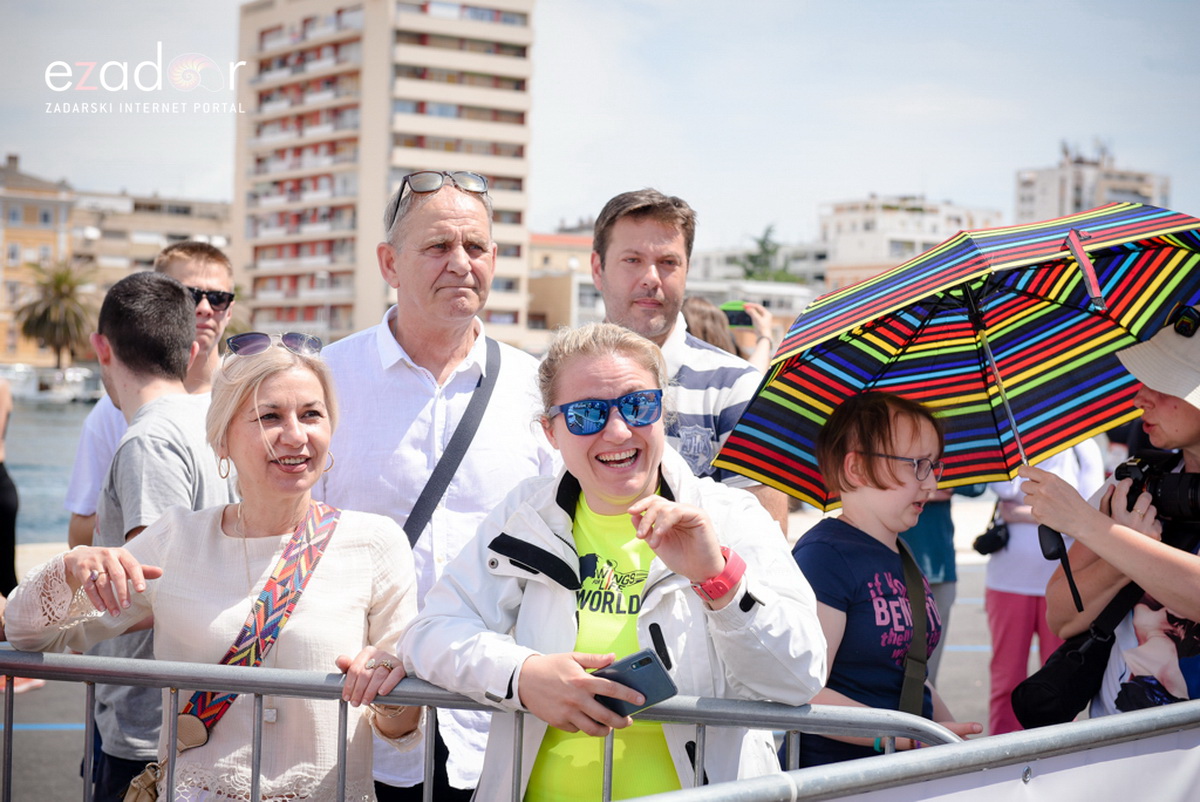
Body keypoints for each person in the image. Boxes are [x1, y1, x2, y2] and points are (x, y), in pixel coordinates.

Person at [401, 323, 826, 800]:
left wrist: (719, 580)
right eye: (586, 414)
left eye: (638, 405)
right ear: (551, 432)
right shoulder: (526, 515)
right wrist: (523, 675)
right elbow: (432, 630)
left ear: (662, 412)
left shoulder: (730, 517)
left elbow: (799, 677)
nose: (618, 430)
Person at [5, 334, 420, 800]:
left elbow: (403, 728)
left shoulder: (375, 543)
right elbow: (25, 635)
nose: (296, 435)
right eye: (269, 417)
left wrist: (387, 685)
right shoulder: (176, 539)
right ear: (222, 439)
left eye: (311, 414)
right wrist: (71, 569)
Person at [313, 170, 558, 801]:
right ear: (389, 262)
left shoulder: (537, 392)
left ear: (495, 260)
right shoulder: (322, 384)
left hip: (496, 720)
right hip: (352, 716)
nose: (460, 264)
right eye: (437, 247)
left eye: (475, 247)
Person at [76, 271, 238, 801]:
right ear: (192, 349)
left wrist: (40, 616)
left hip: (151, 722)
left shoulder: (149, 440)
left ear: (103, 346)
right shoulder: (207, 423)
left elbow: (152, 582)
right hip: (197, 709)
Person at [1023, 304, 1200, 717]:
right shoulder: (1136, 483)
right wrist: (1125, 554)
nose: (1142, 396)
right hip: (1115, 744)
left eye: (1162, 383)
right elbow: (1062, 617)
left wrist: (1093, 527)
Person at [791, 391, 981, 766]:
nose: (930, 484)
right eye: (917, 465)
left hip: (902, 769)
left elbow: (911, 674)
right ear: (857, 468)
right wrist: (898, 739)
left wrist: (950, 736)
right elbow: (806, 691)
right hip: (838, 777)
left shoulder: (902, 553)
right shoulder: (824, 555)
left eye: (934, 466)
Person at [590, 190, 789, 531]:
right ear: (598, 269)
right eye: (632, 260)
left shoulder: (737, 386)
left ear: (686, 271)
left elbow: (766, 543)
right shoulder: (554, 382)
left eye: (668, 262)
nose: (652, 277)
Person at [65, 241, 237, 548]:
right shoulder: (110, 411)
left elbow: (153, 577)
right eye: (189, 295)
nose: (205, 308)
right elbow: (81, 528)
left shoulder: (247, 397)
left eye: (218, 298)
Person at [984, 442, 1103, 733]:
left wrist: (1022, 513)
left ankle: (1058, 758)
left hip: (1064, 583)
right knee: (1006, 678)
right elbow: (1004, 491)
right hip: (1007, 581)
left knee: (1062, 679)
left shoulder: (1083, 446)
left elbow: (1090, 512)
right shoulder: (1010, 442)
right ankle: (1002, 758)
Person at [898, 482, 986, 686]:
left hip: (937, 566)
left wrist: (912, 490)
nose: (928, 480)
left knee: (926, 678)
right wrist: (935, 491)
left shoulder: (949, 452)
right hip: (890, 565)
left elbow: (976, 485)